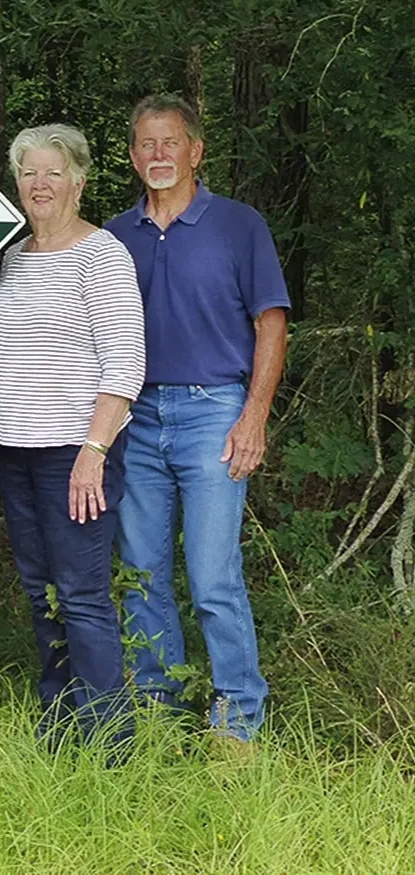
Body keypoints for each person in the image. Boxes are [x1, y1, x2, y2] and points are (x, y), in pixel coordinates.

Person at [0, 124, 145, 744]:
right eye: (29, 173)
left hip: (74, 453)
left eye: (53, 172)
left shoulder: (102, 254)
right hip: (14, 450)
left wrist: (94, 452)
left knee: (83, 595)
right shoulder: (17, 256)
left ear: (79, 181)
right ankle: (58, 727)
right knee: (42, 595)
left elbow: (126, 365)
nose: (40, 184)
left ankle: (109, 742)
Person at [106, 93, 290, 745]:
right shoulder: (110, 238)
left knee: (212, 574)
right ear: (131, 157)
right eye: (145, 145)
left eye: (169, 142)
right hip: (132, 414)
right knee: (141, 571)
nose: (157, 154)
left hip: (214, 410)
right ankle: (159, 706)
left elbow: (270, 323)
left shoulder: (239, 225)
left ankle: (236, 718)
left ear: (194, 151)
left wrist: (254, 416)